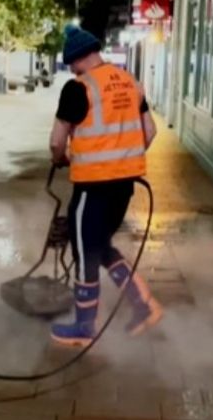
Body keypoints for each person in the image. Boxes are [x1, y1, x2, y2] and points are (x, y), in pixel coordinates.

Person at [48, 24, 163, 347]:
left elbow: (57, 142)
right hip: (124, 187)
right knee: (100, 247)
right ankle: (143, 306)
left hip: (92, 187)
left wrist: (61, 158)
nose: (72, 69)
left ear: (77, 59)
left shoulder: (78, 88)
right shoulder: (130, 82)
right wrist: (123, 161)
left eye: (72, 63)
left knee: (86, 251)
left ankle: (85, 327)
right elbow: (150, 132)